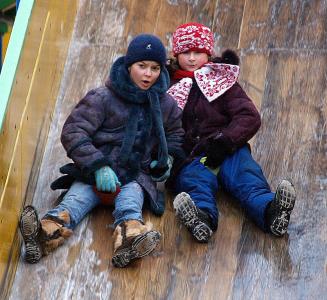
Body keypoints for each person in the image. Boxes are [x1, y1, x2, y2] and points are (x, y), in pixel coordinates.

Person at [19, 34, 185, 268]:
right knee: (73, 202)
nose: (148, 74)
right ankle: (42, 235)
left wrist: (167, 158)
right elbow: (74, 130)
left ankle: (129, 241)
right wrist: (98, 165)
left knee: (130, 204)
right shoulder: (102, 97)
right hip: (95, 173)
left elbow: (176, 133)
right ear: (129, 66)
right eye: (142, 66)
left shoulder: (165, 104)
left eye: (155, 68)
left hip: (135, 174)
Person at [166, 22, 296, 243]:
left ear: (208, 53)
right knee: (194, 182)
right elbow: (161, 125)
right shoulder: (167, 87)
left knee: (246, 177)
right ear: (176, 55)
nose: (191, 58)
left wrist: (225, 141)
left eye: (198, 52)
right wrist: (173, 155)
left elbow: (249, 117)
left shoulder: (221, 82)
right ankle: (201, 218)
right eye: (185, 52)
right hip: (195, 156)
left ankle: (271, 211)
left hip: (227, 149)